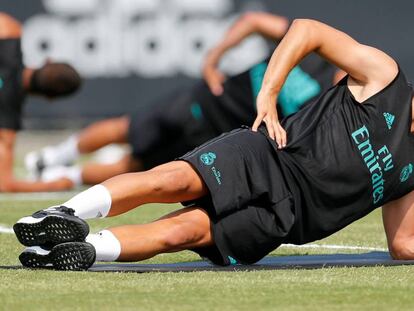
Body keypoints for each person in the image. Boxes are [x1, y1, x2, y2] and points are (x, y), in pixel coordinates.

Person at [14, 18, 411, 271]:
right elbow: (307, 29)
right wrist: (268, 96)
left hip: (288, 219)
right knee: (169, 182)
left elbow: (402, 244)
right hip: (268, 156)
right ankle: (62, 212)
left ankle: (73, 253)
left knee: (178, 235)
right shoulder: (385, 77)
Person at [24, 12, 343, 187]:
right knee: (127, 128)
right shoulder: (312, 53)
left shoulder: (329, 106)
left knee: (134, 167)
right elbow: (254, 22)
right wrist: (213, 58)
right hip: (200, 102)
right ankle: (52, 157)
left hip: (215, 137)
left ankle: (60, 176)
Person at [0, 12, 82, 192]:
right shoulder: (7, 123)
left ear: (47, 61)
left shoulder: (9, 31)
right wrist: (56, 184)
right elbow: (4, 183)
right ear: (50, 98)